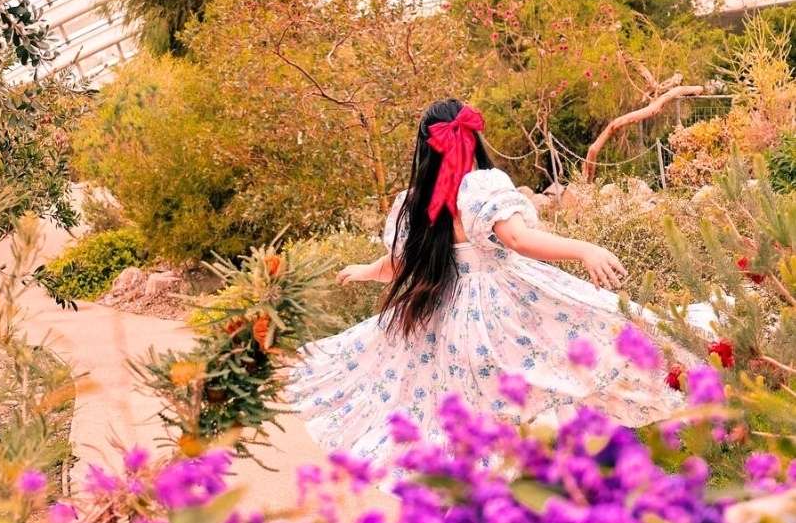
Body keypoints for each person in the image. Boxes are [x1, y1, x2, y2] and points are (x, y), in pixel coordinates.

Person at [286, 97, 691, 466]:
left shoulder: (415, 200)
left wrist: (367, 271)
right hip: (503, 310)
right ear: (473, 138)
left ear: (424, 148)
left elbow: (403, 262)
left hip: (447, 321)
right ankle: (573, 475)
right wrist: (582, 249)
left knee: (473, 408)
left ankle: (489, 490)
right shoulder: (482, 185)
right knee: (571, 362)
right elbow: (516, 238)